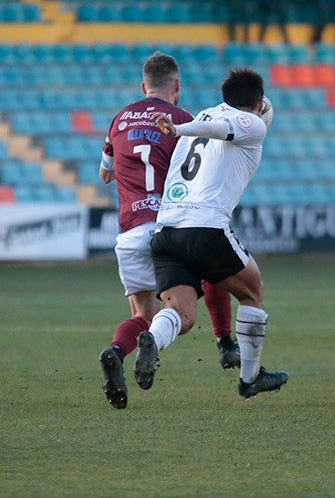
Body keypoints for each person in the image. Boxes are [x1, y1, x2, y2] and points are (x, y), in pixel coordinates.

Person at [97, 53, 241, 409]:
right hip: (168, 229)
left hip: (129, 234)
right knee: (209, 274)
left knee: (141, 315)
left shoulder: (119, 118)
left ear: (142, 87)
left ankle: (116, 350)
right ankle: (225, 343)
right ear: (177, 86)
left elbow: (105, 173)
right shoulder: (182, 121)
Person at [135, 68, 287, 400]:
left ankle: (153, 340)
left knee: (182, 314)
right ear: (259, 103)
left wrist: (181, 129)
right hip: (203, 226)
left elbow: (213, 129)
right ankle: (250, 379)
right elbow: (222, 128)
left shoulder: (205, 113)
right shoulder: (250, 122)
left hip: (166, 231)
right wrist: (177, 127)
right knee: (252, 291)